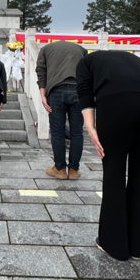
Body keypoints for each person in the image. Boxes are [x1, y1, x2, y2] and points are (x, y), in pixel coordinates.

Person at [77, 50, 140, 261]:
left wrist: (91, 130)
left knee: (114, 172)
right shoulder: (137, 60)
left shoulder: (85, 62)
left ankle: (114, 245)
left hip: (116, 102)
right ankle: (137, 248)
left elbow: (85, 94)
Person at [37, 41, 87, 180]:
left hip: (56, 90)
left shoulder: (46, 49)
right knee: (77, 132)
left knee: (57, 131)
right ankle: (73, 170)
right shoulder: (82, 49)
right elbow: (87, 73)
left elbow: (41, 72)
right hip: (78, 90)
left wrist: (43, 96)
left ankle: (59, 169)